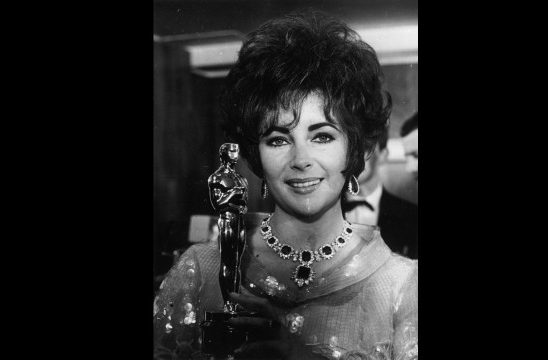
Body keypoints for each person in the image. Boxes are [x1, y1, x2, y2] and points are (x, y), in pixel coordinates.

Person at [153, 10, 418, 360]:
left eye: (322, 136)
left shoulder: (402, 285)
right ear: (256, 154)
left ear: (354, 149)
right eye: (278, 140)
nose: (300, 159)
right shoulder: (200, 271)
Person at [343, 113, 418, 259]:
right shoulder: (317, 212)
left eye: (364, 149)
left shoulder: (412, 216)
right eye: (348, 148)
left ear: (383, 154)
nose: (354, 158)